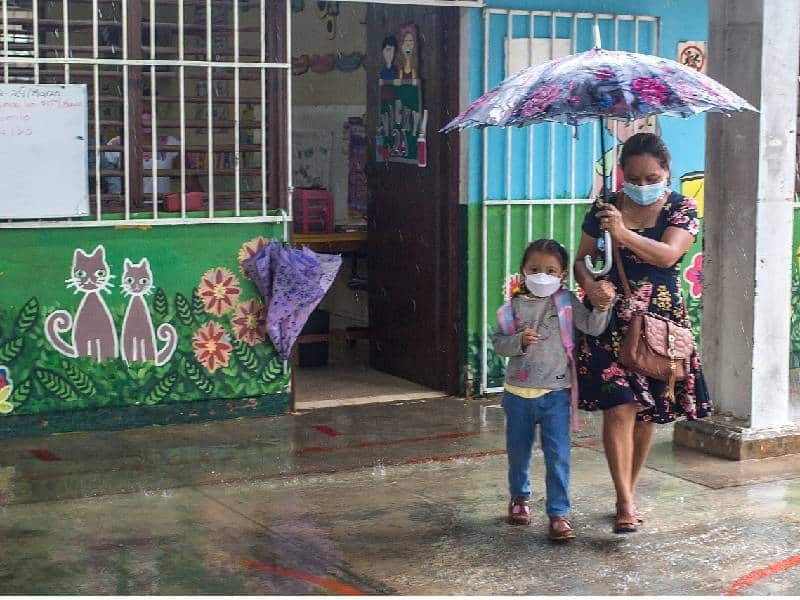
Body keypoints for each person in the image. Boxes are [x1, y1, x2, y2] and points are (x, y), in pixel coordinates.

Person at [574, 132, 711, 534]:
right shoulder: (603, 208)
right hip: (611, 319)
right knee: (619, 406)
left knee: (647, 412)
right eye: (634, 176)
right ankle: (624, 499)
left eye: (652, 176)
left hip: (660, 323)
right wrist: (589, 285)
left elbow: (669, 254)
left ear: (666, 173)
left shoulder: (681, 207)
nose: (643, 184)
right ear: (622, 174)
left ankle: (629, 491)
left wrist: (623, 234)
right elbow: (581, 258)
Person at [493, 239, 615, 541]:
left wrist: (602, 307)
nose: (542, 275)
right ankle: (519, 500)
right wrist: (518, 341)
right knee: (518, 453)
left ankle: (559, 514)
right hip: (517, 394)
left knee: (558, 455)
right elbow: (499, 344)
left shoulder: (566, 302)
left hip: (557, 394)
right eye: (535, 269)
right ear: (523, 270)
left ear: (562, 275)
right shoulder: (511, 307)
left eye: (550, 270)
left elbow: (592, 326)